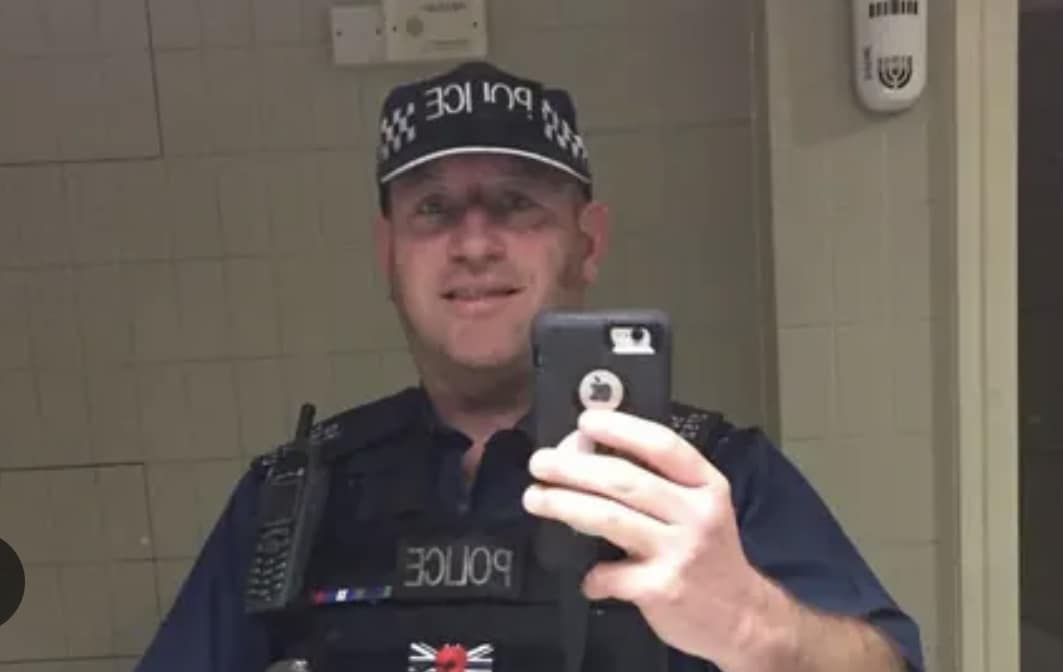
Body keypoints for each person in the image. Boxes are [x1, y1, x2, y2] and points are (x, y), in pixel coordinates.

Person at [136, 61, 924, 672]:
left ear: (587, 241)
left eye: (516, 203)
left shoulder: (705, 482)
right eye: (433, 208)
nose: (474, 243)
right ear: (387, 252)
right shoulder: (292, 497)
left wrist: (752, 624)